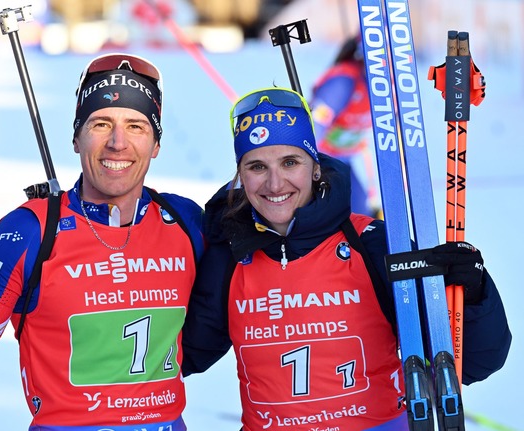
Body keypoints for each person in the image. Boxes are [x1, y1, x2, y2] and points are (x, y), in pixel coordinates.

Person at [181, 87, 511, 430]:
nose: (275, 183)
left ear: (315, 169)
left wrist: (473, 294)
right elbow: (183, 354)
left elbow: (472, 361)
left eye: (290, 162)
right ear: (241, 175)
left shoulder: (372, 243)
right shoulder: (230, 255)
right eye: (257, 166)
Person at [0, 53, 204, 430]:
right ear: (76, 138)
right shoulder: (30, 230)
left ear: (156, 144)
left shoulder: (185, 222)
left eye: (136, 126)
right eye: (101, 123)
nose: (118, 143)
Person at [310, 35, 379, 217]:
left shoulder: (388, 89)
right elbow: (315, 125)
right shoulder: (344, 82)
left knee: (360, 209)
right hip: (323, 161)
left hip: (346, 161)